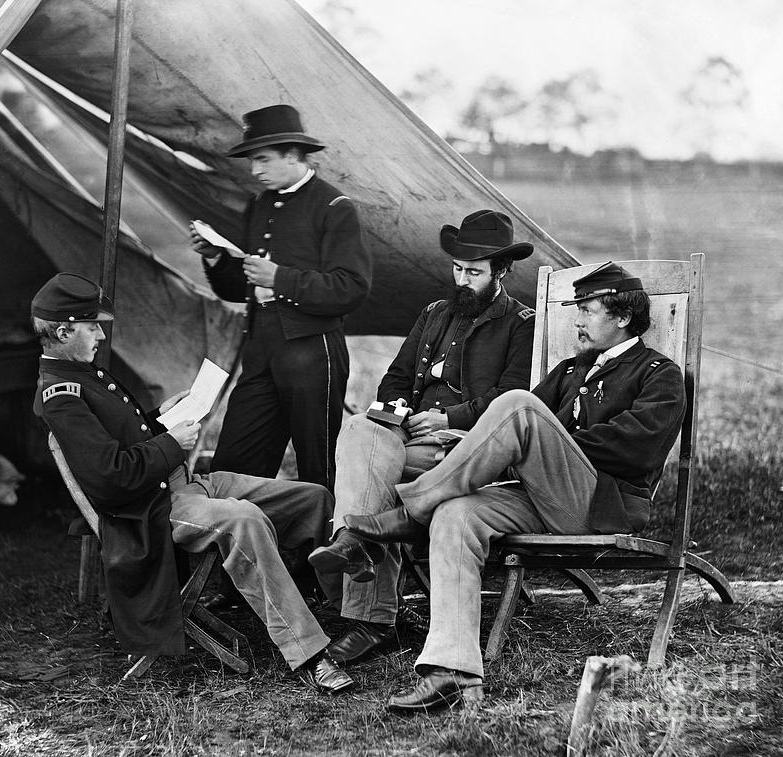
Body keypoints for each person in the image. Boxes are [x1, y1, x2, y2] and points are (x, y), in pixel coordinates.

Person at [345, 262, 687, 710]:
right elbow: (509, 433)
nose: (578, 320)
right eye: (577, 309)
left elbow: (634, 449)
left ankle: (410, 512)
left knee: (519, 406)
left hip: (603, 503)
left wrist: (549, 444)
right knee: (456, 513)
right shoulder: (569, 370)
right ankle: (453, 671)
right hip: (541, 496)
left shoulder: (659, 374)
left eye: (588, 310)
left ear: (623, 317)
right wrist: (498, 444)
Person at [31, 272, 353, 693]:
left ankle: (350, 611)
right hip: (152, 510)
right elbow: (112, 477)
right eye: (91, 326)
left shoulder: (83, 371)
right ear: (61, 331)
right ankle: (310, 653)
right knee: (245, 521)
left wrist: (159, 418)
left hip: (183, 484)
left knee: (313, 498)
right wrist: (171, 443)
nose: (100, 335)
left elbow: (122, 436)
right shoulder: (62, 394)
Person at [306, 210, 536, 666]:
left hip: (466, 447)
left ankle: (369, 614)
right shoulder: (434, 313)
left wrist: (446, 416)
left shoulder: (521, 323)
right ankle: (354, 542)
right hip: (409, 437)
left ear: (502, 271)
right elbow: (394, 378)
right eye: (458, 269)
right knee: (358, 428)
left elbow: (513, 399)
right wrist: (403, 412)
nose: (463, 279)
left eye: (474, 272)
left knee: (378, 478)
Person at [189, 104, 372, 490]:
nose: (255, 170)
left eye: (262, 159)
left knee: (318, 467)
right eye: (253, 161)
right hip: (261, 350)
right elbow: (238, 288)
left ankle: (323, 547)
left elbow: (351, 288)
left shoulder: (334, 208)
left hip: (312, 351)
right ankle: (241, 544)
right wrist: (217, 258)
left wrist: (281, 278)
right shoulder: (258, 205)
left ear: (292, 154)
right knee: (234, 465)